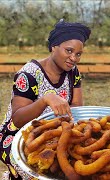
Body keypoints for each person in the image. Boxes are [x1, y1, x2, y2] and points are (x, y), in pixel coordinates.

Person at [0, 19, 91, 179]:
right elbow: (17, 119)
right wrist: (45, 100)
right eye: (68, 51)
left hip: (54, 132)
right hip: (17, 137)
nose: (73, 58)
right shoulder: (28, 75)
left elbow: (76, 106)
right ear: (53, 46)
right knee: (40, 171)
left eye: (78, 54)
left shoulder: (72, 72)